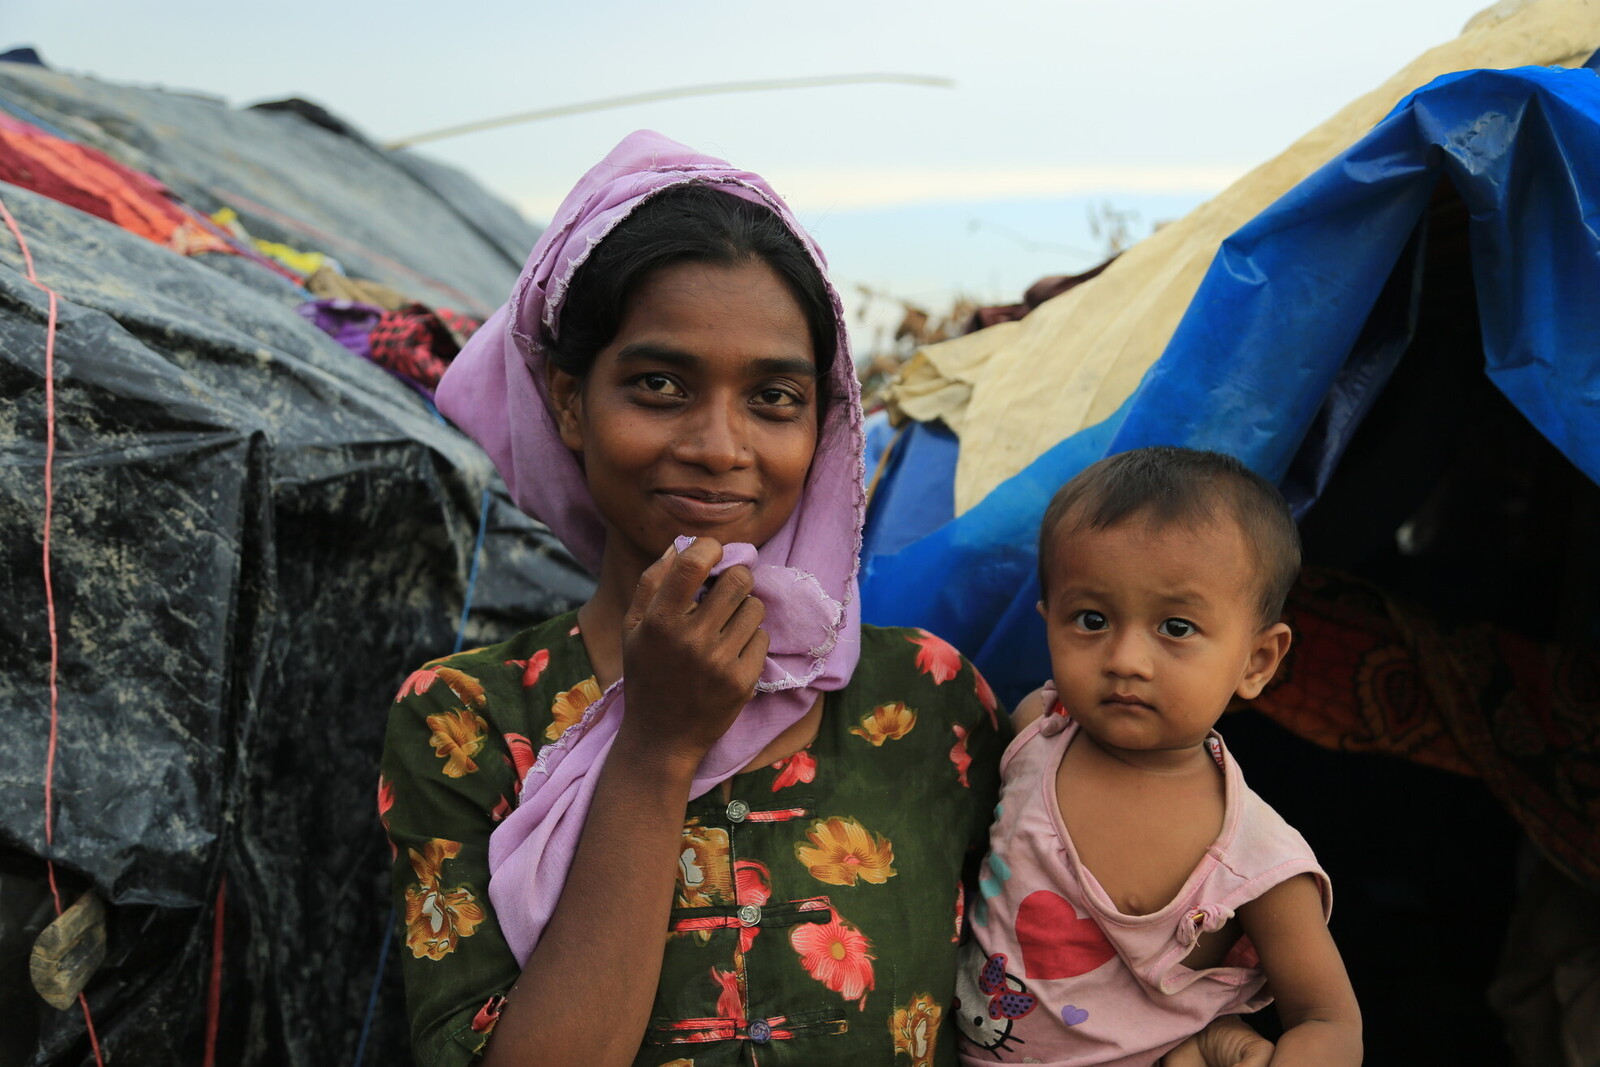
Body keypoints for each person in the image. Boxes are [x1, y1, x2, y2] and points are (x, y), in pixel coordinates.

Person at [380, 131, 1008, 1067]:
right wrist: (658, 744)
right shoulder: (466, 718)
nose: (720, 444)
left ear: (825, 420)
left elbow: (1056, 985)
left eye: (774, 398)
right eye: (660, 384)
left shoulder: (926, 698)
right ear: (565, 401)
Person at [953, 447, 1362, 1066]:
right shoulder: (1036, 733)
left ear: (1257, 661)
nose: (1124, 659)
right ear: (1048, 624)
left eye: (1176, 628)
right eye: (1091, 619)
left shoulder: (1256, 861)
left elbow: (1329, 1020)